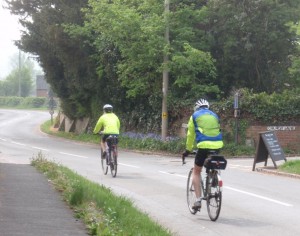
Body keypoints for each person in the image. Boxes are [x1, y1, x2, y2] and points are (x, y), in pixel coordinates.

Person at [182, 98, 223, 210]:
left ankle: (198, 200)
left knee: (196, 171)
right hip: (218, 144)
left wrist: (188, 150)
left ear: (196, 107)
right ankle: (213, 175)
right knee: (212, 161)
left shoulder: (194, 116)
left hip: (203, 145)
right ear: (208, 107)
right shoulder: (215, 115)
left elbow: (191, 135)